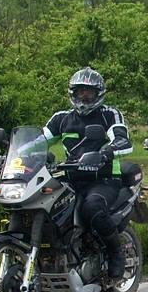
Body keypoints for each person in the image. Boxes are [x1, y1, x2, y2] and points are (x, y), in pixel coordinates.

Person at [43, 67, 132, 280]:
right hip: (71, 178)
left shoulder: (109, 114)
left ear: (98, 93)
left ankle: (115, 253)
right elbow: (37, 141)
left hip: (104, 178)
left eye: (89, 92)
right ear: (72, 93)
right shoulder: (60, 118)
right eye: (79, 91)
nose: (83, 96)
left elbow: (124, 140)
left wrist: (105, 152)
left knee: (92, 208)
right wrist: (15, 153)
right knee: (46, 207)